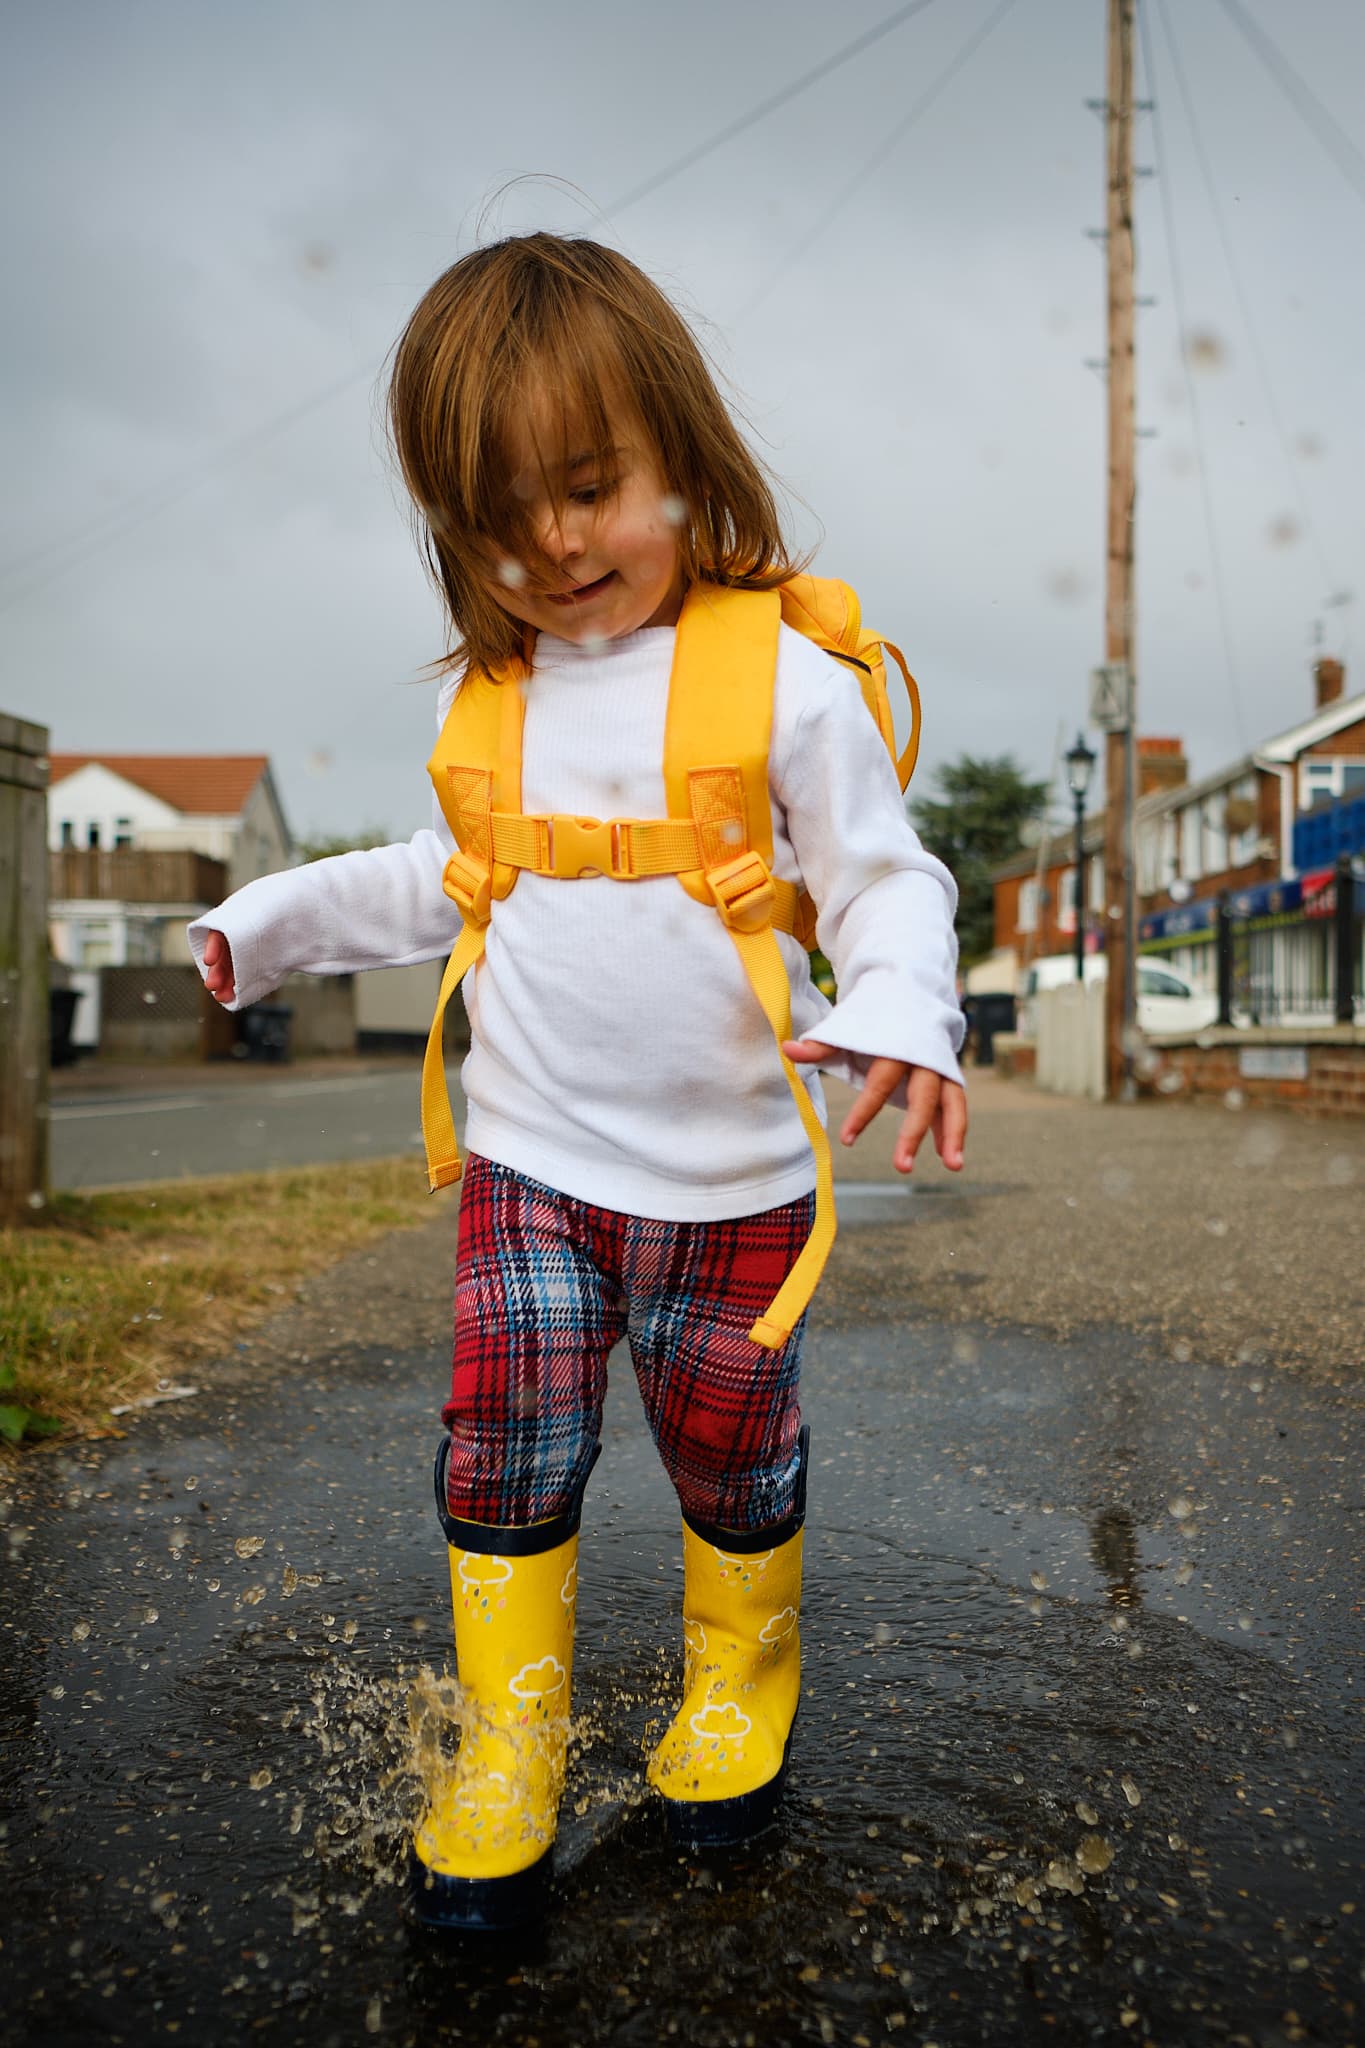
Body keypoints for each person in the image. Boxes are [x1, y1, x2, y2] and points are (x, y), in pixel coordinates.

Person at [190, 232, 967, 1932]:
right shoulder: (504, 694)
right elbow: (440, 878)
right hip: (534, 1164)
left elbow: (883, 880)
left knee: (726, 1452)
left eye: (590, 485)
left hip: (740, 1187)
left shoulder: (785, 680)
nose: (549, 541)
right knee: (504, 1451)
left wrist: (908, 1004)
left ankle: (734, 1694)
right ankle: (506, 1745)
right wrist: (269, 919)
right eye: (497, 514)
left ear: (683, 463)